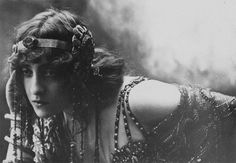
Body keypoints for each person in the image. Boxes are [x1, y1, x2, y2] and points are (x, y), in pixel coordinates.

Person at [3, 8, 236, 163]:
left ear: (76, 71)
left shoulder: (136, 101)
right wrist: (19, 119)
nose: (35, 88)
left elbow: (230, 110)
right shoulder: (50, 126)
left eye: (50, 72)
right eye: (27, 72)